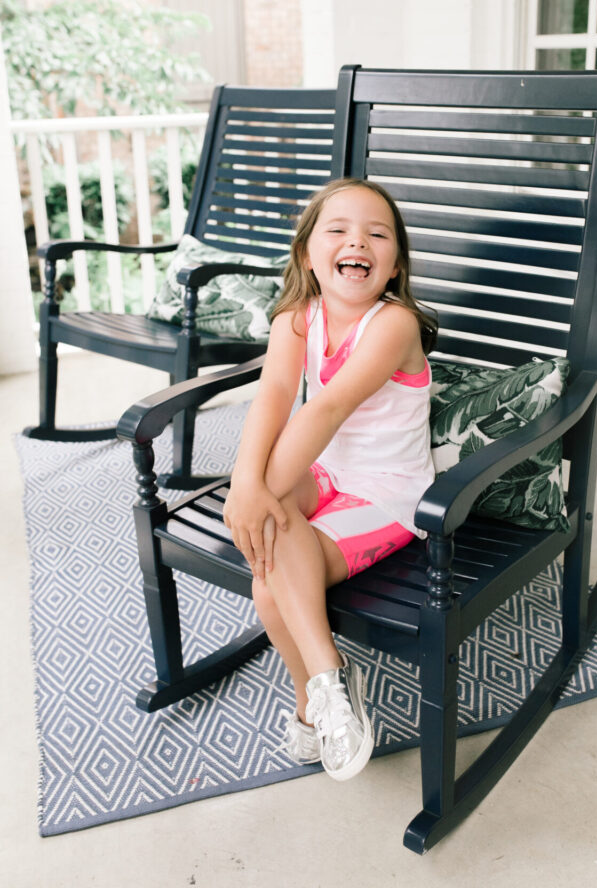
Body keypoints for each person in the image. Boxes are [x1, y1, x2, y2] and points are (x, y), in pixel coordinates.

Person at [223, 177, 437, 781]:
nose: (358, 242)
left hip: (388, 491)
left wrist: (256, 496)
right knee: (266, 519)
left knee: (269, 572)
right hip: (328, 470)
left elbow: (325, 409)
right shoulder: (298, 317)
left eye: (377, 234)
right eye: (338, 230)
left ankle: (320, 686)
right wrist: (248, 486)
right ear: (307, 254)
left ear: (394, 267)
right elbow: (273, 397)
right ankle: (326, 691)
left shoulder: (395, 325)